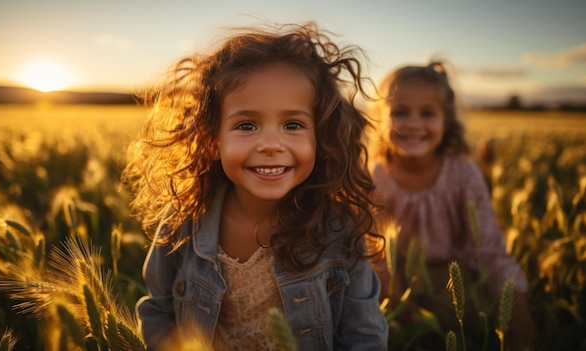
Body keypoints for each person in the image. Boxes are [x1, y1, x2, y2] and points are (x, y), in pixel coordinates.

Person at [121, 21, 388, 351]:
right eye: (246, 125)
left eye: (293, 124)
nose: (271, 144)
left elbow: (364, 337)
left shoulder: (339, 232)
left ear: (321, 137)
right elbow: (159, 308)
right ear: (211, 140)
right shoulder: (183, 222)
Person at [368, 62, 535, 350]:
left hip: (457, 283)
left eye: (427, 113)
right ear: (380, 119)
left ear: (447, 120)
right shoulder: (376, 177)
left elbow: (488, 248)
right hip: (397, 285)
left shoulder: (463, 173)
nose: (413, 123)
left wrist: (516, 313)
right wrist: (400, 310)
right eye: (400, 112)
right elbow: (376, 253)